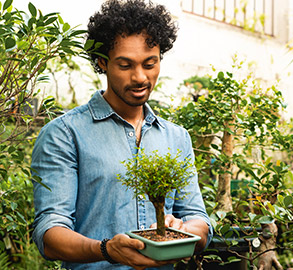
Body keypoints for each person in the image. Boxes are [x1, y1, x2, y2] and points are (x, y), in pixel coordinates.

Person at [31, 0, 212, 269]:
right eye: (126, 66)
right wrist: (106, 249)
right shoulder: (64, 135)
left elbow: (200, 221)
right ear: (103, 63)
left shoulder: (176, 138)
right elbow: (49, 234)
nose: (140, 77)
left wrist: (182, 230)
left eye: (150, 64)